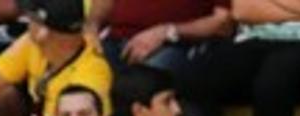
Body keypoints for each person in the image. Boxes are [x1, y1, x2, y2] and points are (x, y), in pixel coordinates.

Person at [93, 0, 231, 82]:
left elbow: (222, 23)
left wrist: (167, 31)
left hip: (176, 42)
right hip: (114, 37)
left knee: (145, 84)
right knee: (87, 82)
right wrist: (90, 28)